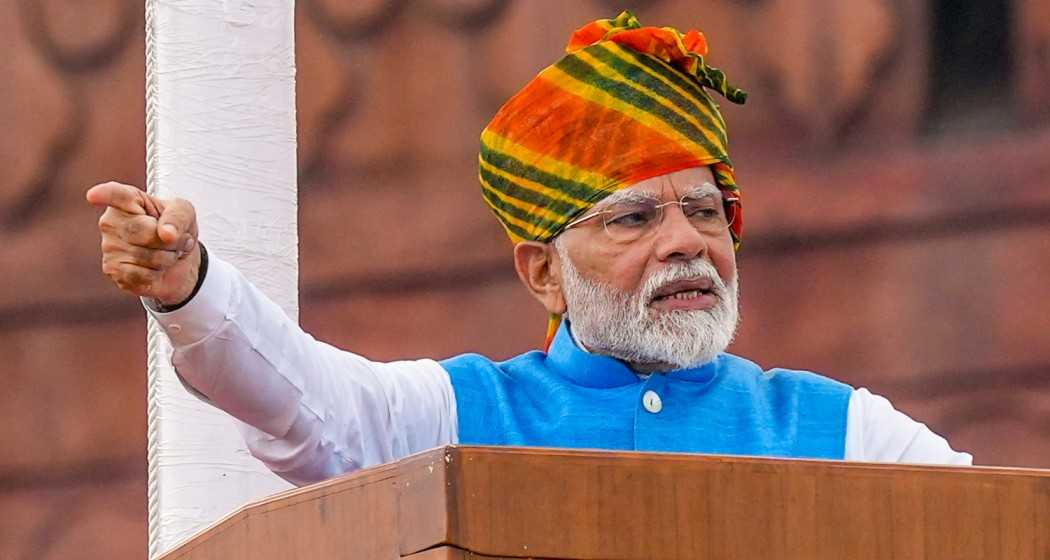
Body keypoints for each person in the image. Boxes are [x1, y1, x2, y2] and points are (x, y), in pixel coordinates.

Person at [87, 12, 970, 486]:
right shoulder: (457, 418)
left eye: (704, 212)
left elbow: (998, 527)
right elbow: (304, 404)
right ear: (542, 271)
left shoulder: (842, 433)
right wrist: (189, 286)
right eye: (633, 220)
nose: (685, 245)